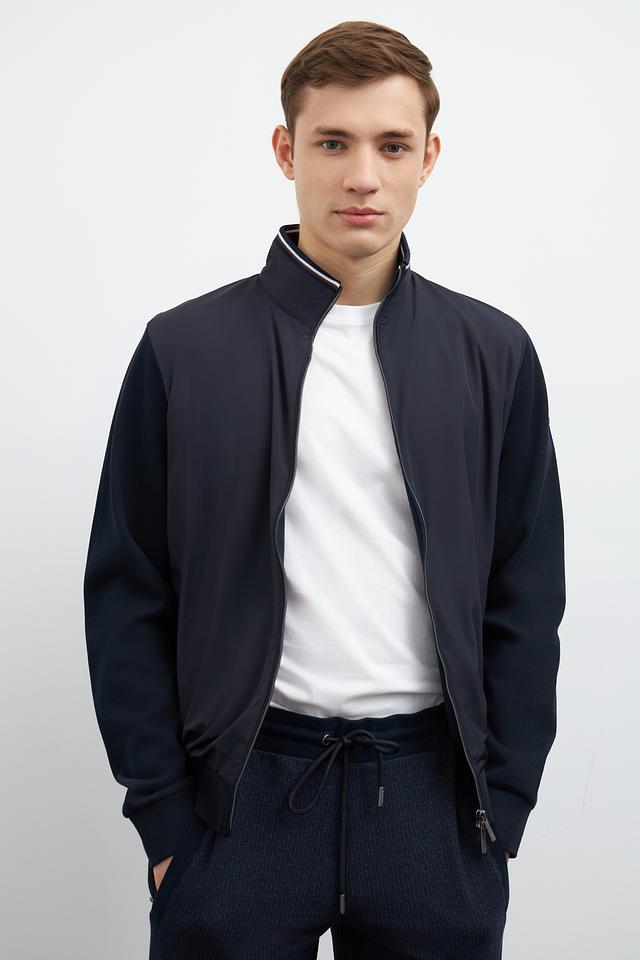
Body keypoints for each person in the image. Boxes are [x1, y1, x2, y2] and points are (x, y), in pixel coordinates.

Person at [83, 19, 565, 959]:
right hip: (238, 800)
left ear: (429, 158)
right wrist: (165, 819)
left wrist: (503, 804)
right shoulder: (184, 349)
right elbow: (127, 589)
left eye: (392, 146)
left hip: (433, 800)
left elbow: (526, 589)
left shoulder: (493, 353)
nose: (363, 177)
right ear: (286, 150)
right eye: (333, 143)